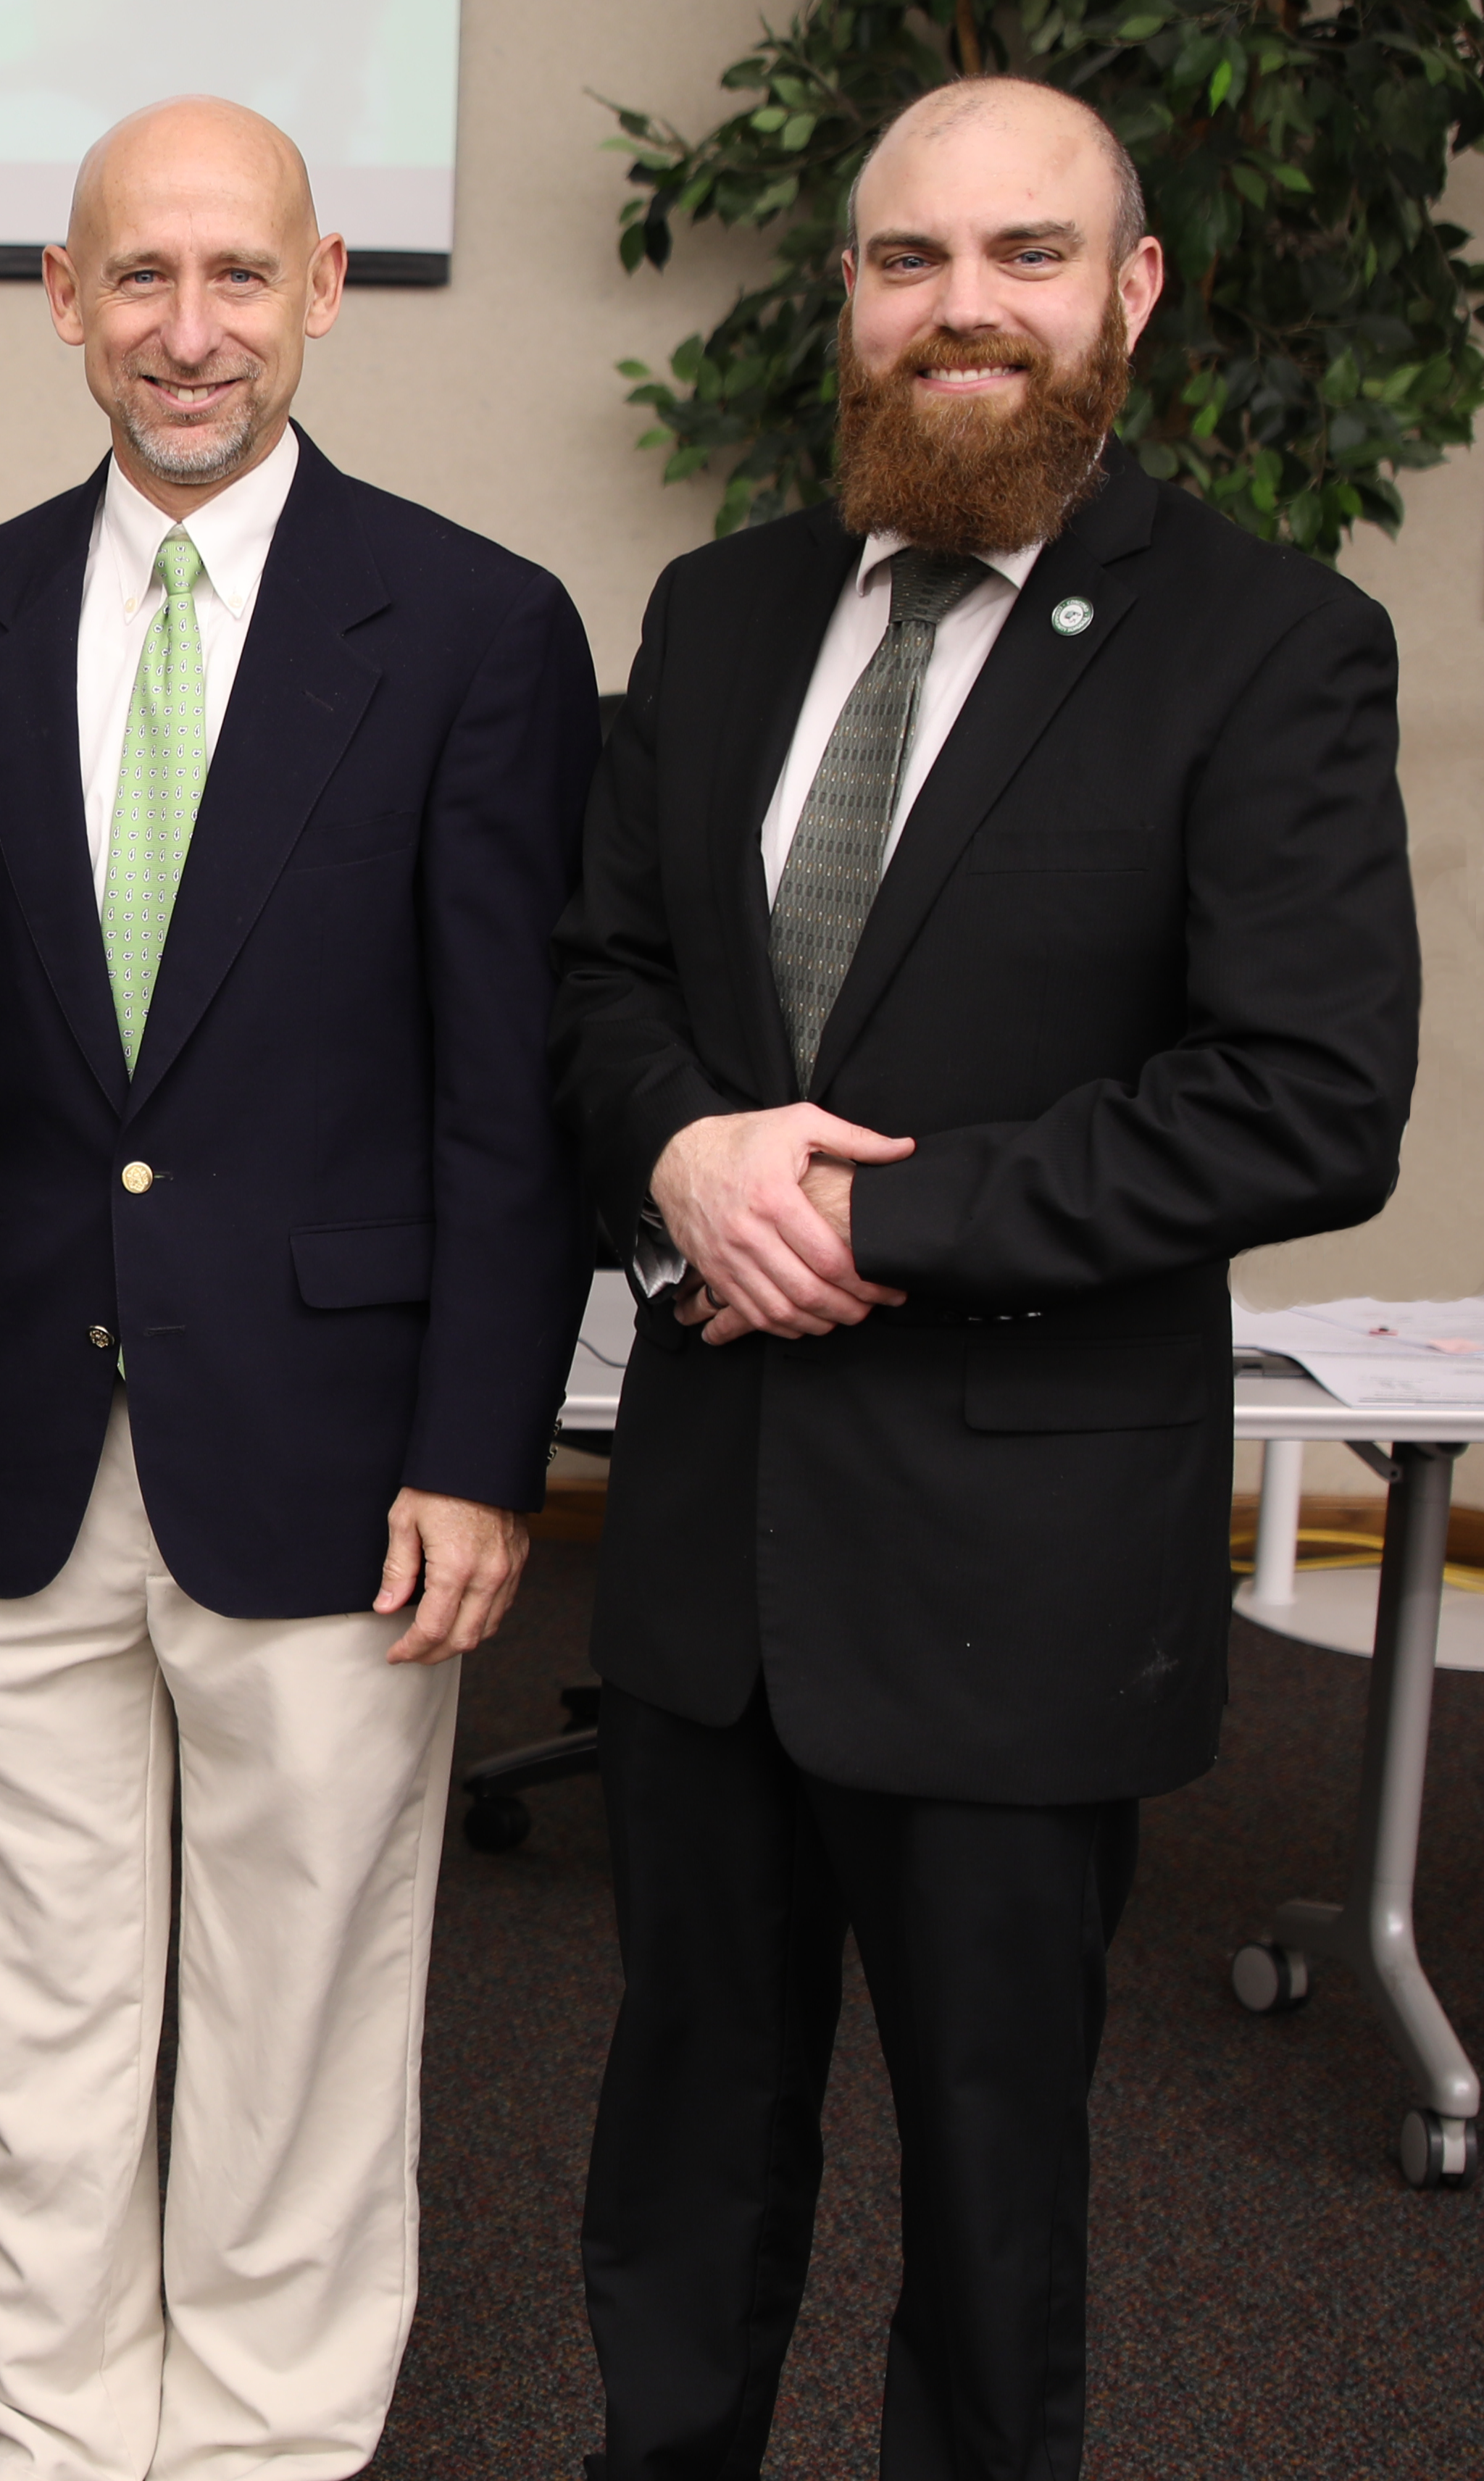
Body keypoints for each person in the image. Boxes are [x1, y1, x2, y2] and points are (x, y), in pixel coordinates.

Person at [553, 77, 1417, 2481]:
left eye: (1028, 257)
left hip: (1013, 1573)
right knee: (680, 2152)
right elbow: (597, 986)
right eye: (912, 261)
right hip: (712, 1562)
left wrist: (867, 1220)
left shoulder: (1265, 643)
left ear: (1130, 296)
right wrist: (683, 1157)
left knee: (993, 2191)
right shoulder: (720, 615)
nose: (966, 310)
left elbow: (1308, 1096)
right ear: (847, 298)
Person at [0, 98, 593, 2481]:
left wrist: (486, 1448)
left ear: (327, 285)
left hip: (342, 1453)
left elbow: (513, 1094)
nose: (192, 333)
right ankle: (55, 2439)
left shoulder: (480, 627)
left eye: (240, 278)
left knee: (303, 2011)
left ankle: (272, 2444)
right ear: (62, 298)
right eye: (140, 280)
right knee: (31, 2009)